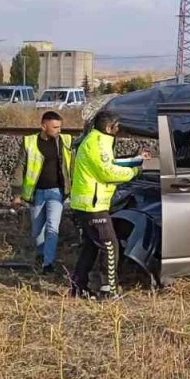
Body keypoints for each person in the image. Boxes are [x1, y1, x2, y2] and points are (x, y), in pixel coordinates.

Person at [68, 110, 146, 298]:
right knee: (110, 245)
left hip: (88, 204)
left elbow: (111, 163)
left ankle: (78, 286)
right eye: (118, 126)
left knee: (91, 246)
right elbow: (107, 171)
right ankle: (108, 289)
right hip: (92, 206)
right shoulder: (97, 143)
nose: (120, 130)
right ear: (109, 127)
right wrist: (134, 172)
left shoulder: (97, 140)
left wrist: (135, 160)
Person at [10, 111, 73, 274]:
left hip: (57, 193)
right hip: (37, 193)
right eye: (55, 127)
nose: (59, 130)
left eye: (60, 127)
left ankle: (48, 263)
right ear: (43, 126)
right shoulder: (29, 142)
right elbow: (20, 167)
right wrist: (17, 194)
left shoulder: (65, 141)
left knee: (52, 227)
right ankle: (41, 256)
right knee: (38, 230)